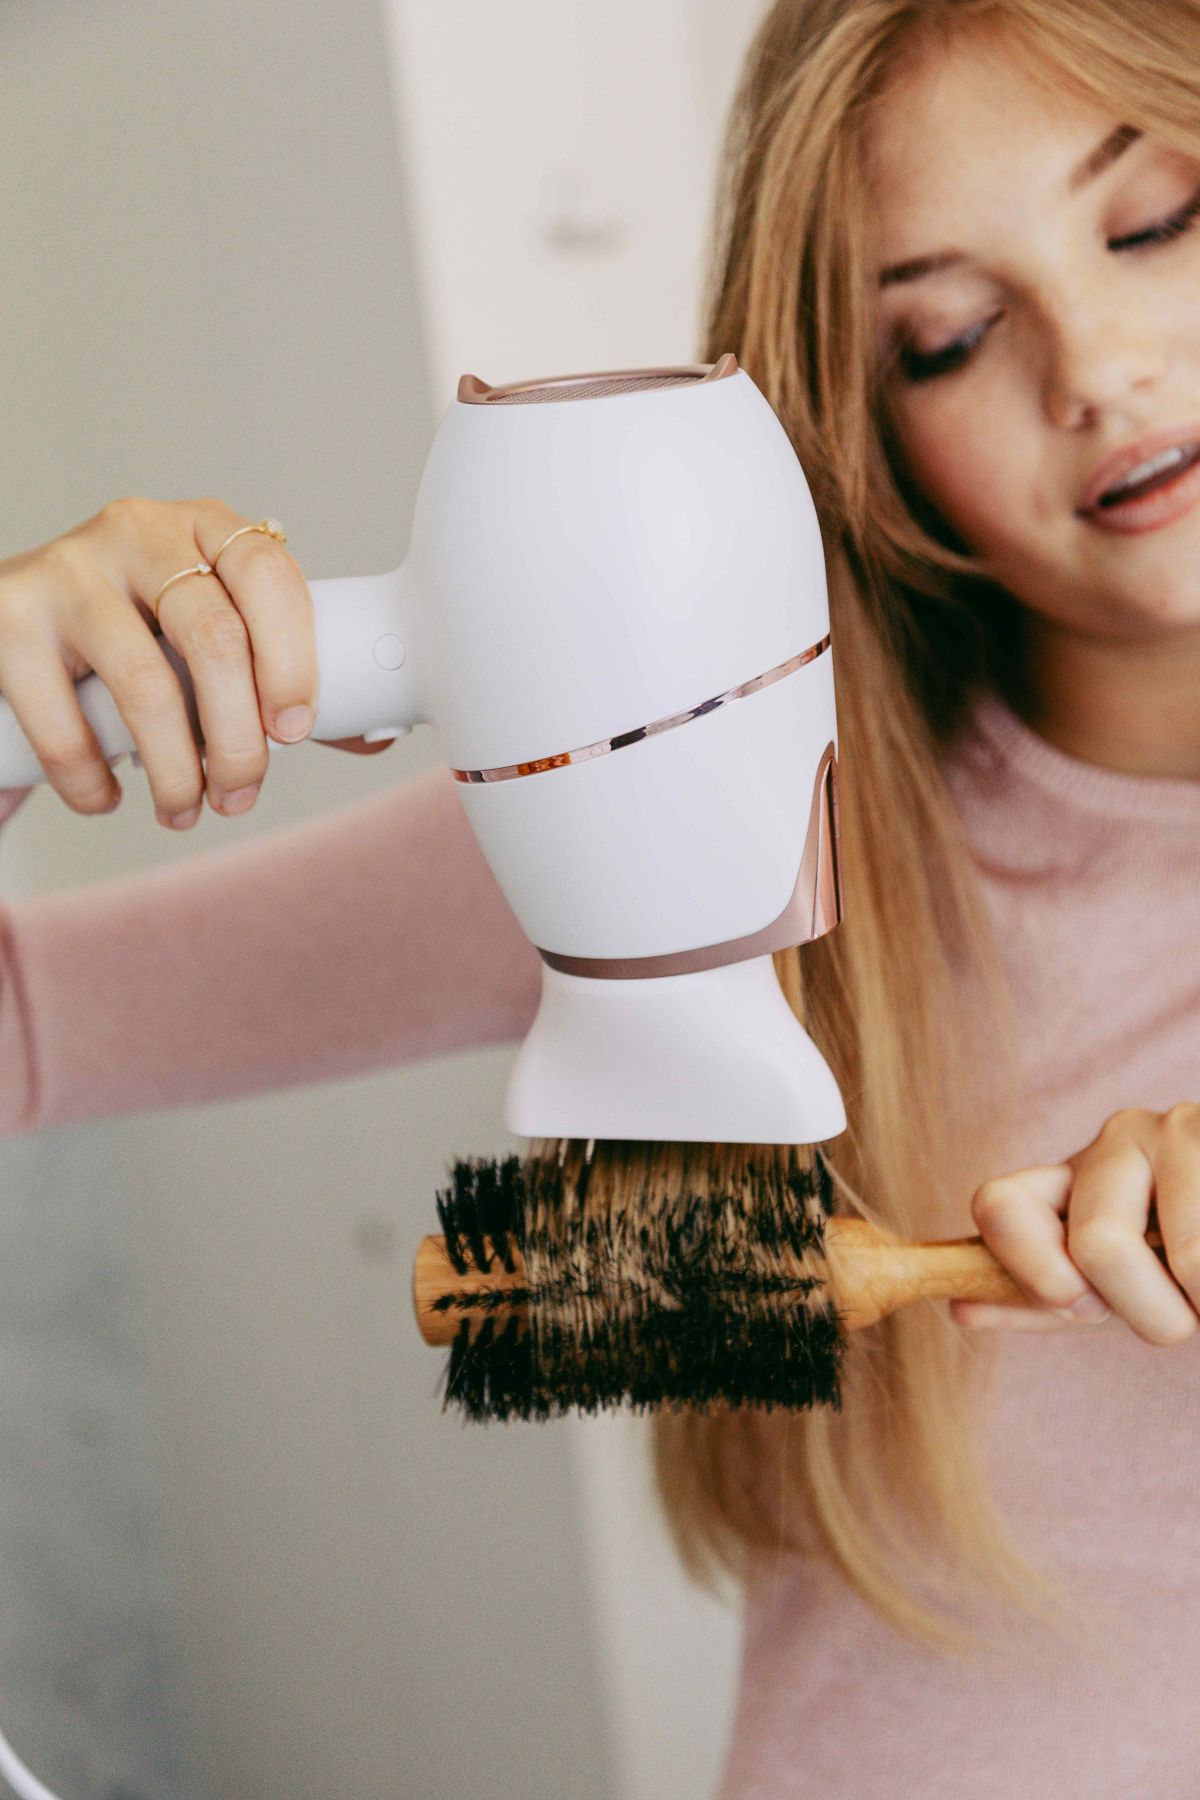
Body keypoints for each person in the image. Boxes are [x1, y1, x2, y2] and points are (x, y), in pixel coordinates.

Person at [0, 0, 1197, 1791]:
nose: (1095, 368)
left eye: (1156, 220)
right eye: (943, 337)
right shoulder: (684, 822)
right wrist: (17, 700)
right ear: (866, 432)